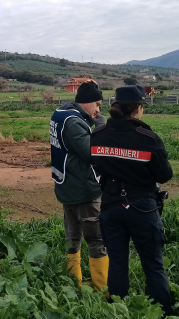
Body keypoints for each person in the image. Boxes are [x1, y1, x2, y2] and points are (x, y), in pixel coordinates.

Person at [90, 85, 173, 315]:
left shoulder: (97, 136)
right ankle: (162, 313)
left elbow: (96, 165)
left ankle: (118, 311)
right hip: (143, 208)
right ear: (138, 108)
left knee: (117, 264)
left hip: (110, 207)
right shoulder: (148, 139)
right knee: (153, 266)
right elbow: (165, 175)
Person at [50, 80, 109, 290]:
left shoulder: (61, 114)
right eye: (98, 105)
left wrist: (90, 121)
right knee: (96, 239)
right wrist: (102, 127)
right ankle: (102, 290)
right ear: (88, 102)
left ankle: (72, 282)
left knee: (72, 237)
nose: (99, 109)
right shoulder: (74, 123)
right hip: (83, 189)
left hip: (65, 185)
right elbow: (92, 152)